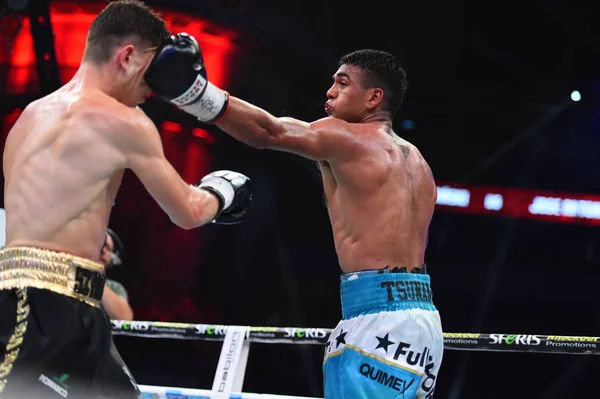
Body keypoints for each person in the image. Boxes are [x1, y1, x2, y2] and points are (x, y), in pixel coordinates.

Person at [145, 35, 443, 398]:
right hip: (425, 323)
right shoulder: (419, 164)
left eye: (343, 83)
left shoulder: (348, 138)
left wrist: (196, 93)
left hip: (377, 319)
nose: (330, 92)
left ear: (374, 98)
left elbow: (268, 130)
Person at [0, 1, 251, 398]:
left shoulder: (29, 117)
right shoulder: (125, 122)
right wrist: (223, 191)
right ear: (128, 56)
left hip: (74, 307)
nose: (155, 87)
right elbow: (187, 210)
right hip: (38, 309)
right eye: (153, 70)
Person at [99, 228, 134, 321]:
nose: (102, 250)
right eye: (99, 243)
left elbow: (125, 318)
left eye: (107, 247)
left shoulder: (115, 287)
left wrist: (94, 278)